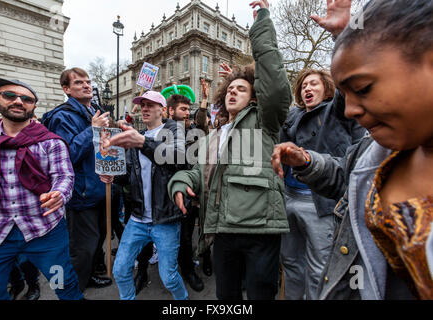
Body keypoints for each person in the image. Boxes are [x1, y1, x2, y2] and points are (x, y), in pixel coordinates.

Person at [272, 0, 433, 300]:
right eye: (346, 93)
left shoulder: (340, 114)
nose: (351, 111)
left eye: (363, 88)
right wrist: (305, 161)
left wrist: (351, 33)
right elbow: (344, 178)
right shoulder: (371, 154)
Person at [168, 0, 292, 300]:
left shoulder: (265, 120)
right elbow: (200, 172)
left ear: (254, 98)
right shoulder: (215, 134)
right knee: (226, 297)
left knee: (261, 295)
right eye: (230, 88)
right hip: (221, 229)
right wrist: (182, 183)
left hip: (260, 229)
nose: (233, 91)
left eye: (242, 88)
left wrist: (262, 22)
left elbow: (274, 86)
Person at [0, 77, 83, 300]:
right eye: (10, 95)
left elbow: (64, 176)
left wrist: (59, 194)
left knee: (62, 284)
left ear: (33, 106)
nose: (18, 101)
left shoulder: (50, 142)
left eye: (26, 98)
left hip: (45, 233)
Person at [279, 67, 365, 300]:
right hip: (290, 198)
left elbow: (347, 88)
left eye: (314, 84)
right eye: (304, 85)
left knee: (319, 267)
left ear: (327, 88)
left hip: (322, 204)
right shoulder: (292, 117)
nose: (307, 88)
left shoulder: (336, 110)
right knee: (290, 261)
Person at [100, 91, 189, 300]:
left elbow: (179, 158)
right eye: (142, 105)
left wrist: (141, 142)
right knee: (120, 270)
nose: (145, 108)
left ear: (162, 109)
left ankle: (182, 299)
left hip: (165, 218)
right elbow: (129, 175)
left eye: (150, 105)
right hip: (138, 218)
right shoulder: (136, 136)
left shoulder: (175, 130)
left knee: (168, 277)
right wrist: (113, 175)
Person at [42, 68, 112, 291]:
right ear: (66, 89)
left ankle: (88, 277)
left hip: (99, 188)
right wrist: (92, 129)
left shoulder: (94, 112)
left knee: (95, 243)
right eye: (79, 82)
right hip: (81, 195)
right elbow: (67, 155)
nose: (87, 85)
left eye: (89, 81)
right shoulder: (62, 116)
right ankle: (74, 291)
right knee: (82, 249)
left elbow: (100, 149)